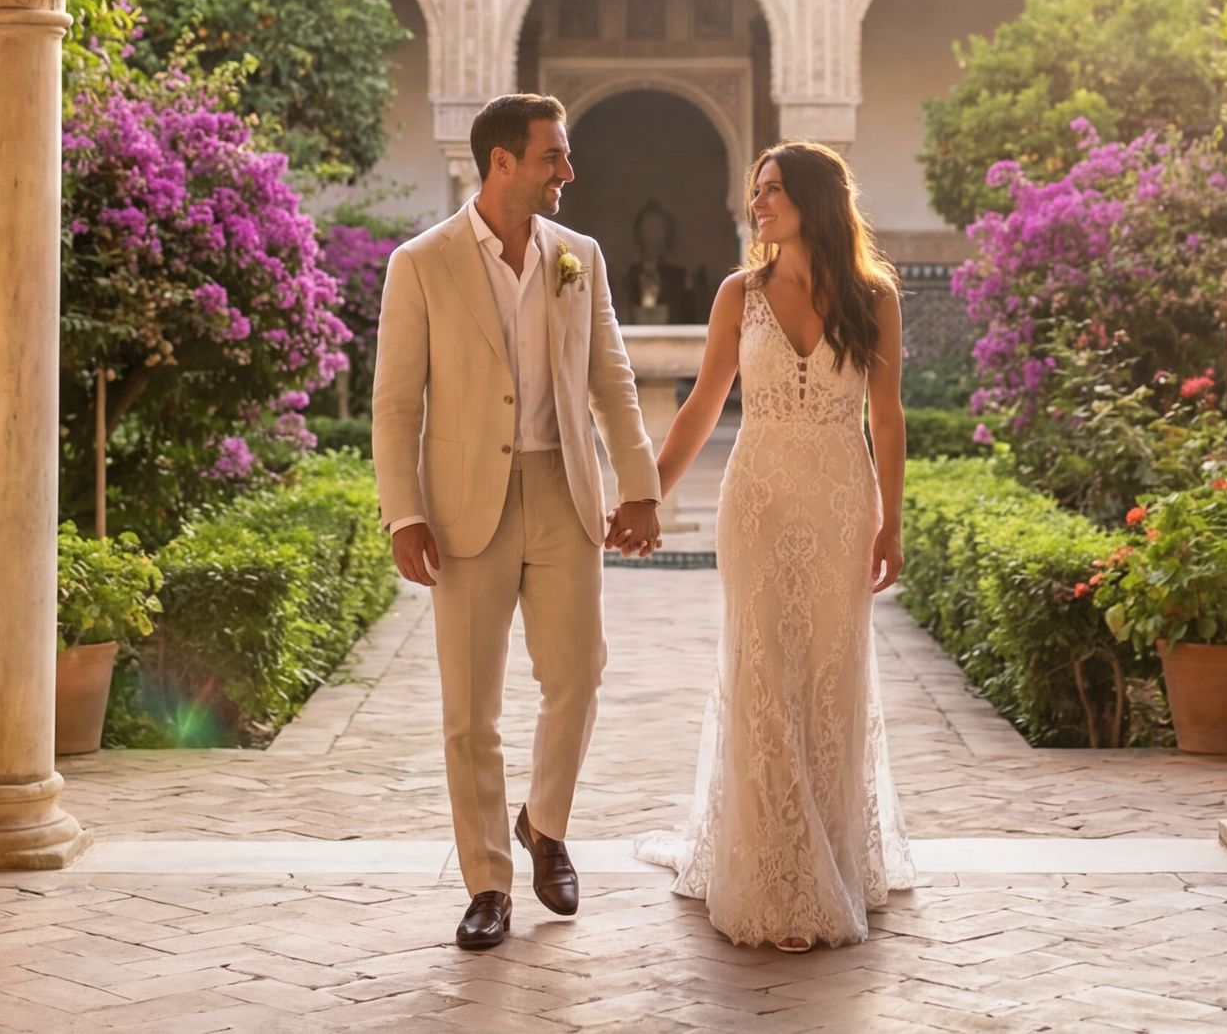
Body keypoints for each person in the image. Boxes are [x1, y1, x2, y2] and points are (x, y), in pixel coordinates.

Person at [371, 93, 665, 951]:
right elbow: (394, 407)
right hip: (465, 506)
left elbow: (611, 379)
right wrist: (404, 511)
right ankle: (489, 882)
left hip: (564, 494)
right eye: (552, 156)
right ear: (502, 162)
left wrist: (638, 485)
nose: (567, 170)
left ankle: (546, 821)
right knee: (470, 708)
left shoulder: (582, 257)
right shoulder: (420, 263)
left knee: (576, 676)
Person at [635, 142, 916, 951]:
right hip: (755, 501)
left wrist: (890, 521)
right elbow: (697, 409)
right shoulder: (738, 294)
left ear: (815, 199)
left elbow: (886, 418)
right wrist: (648, 493)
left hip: (838, 503)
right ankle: (774, 869)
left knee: (830, 672)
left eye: (773, 190)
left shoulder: (875, 297)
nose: (759, 203)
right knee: (762, 668)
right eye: (755, 190)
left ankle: (830, 848)